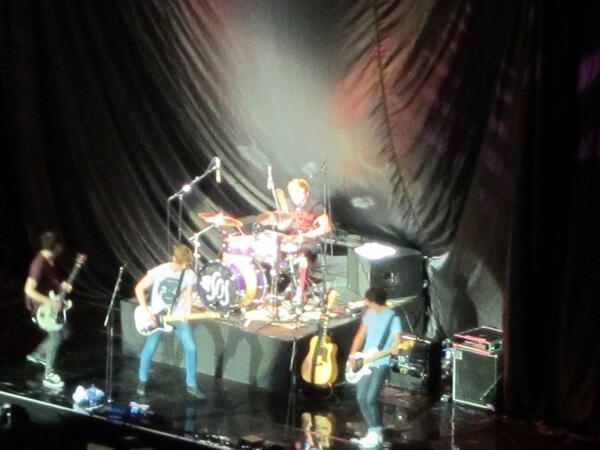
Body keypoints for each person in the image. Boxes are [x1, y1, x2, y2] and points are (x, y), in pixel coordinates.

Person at [135, 244, 205, 400]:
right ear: (174, 259)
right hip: (158, 316)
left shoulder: (189, 274)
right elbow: (139, 288)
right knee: (150, 346)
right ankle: (142, 380)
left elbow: (188, 296)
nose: (184, 267)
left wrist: (187, 312)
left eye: (186, 264)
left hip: (177, 316)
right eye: (182, 264)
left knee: (191, 348)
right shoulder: (159, 271)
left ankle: (192, 385)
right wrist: (147, 312)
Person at [347, 287, 402, 448]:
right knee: (360, 397)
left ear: (372, 301)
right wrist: (352, 355)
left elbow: (398, 342)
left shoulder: (393, 318)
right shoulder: (368, 314)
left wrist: (397, 347)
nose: (365, 303)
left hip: (381, 363)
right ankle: (372, 431)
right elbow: (360, 336)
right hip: (365, 361)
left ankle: (376, 433)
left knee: (370, 398)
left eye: (367, 300)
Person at [24, 231, 72, 389]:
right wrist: (51, 302)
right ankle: (49, 376)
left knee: (66, 333)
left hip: (49, 304)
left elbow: (51, 282)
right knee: (56, 337)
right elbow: (29, 290)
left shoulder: (50, 260)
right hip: (41, 310)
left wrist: (62, 285)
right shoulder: (39, 264)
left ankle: (38, 355)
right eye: (60, 246)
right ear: (56, 247)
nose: (62, 249)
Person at [275, 177, 331, 304]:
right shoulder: (287, 204)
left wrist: (306, 236)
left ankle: (300, 291)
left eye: (299, 192)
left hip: (309, 241)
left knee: (303, 256)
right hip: (291, 239)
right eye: (292, 192)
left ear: (307, 192)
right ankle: (280, 284)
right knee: (274, 247)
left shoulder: (315, 205)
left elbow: (326, 227)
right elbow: (280, 227)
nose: (295, 196)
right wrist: (286, 221)